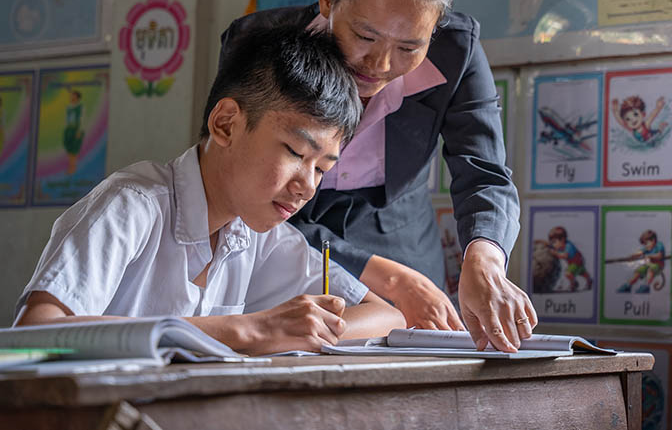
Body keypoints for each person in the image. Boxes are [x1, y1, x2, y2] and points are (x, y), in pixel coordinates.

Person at [220, 0, 536, 352]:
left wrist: (484, 257)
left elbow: (484, 175)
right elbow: (232, 183)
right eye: (365, 37)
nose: (381, 65)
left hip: (403, 251)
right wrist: (388, 278)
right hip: (279, 240)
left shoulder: (457, 52)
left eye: (409, 47)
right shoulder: (259, 43)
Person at [14, 25, 405, 355]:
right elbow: (34, 333)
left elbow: (388, 317)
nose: (306, 186)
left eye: (321, 169)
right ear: (226, 124)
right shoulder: (132, 205)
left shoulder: (257, 237)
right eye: (295, 152)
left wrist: (304, 330)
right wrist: (248, 331)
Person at [616, 229, 666, 294]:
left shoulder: (659, 245)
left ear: (653, 240)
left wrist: (649, 256)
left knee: (650, 270)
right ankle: (628, 285)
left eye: (646, 243)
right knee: (639, 271)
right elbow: (640, 252)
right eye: (644, 244)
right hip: (648, 265)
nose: (645, 246)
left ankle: (646, 286)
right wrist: (632, 256)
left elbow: (660, 256)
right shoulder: (647, 248)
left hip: (658, 265)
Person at [545, 226, 592, 291]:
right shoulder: (560, 245)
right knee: (582, 272)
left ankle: (574, 284)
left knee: (568, 273)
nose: (553, 245)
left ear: (562, 239)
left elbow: (565, 256)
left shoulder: (568, 246)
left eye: (554, 242)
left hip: (576, 262)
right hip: (575, 262)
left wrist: (555, 253)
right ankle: (589, 280)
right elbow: (550, 246)